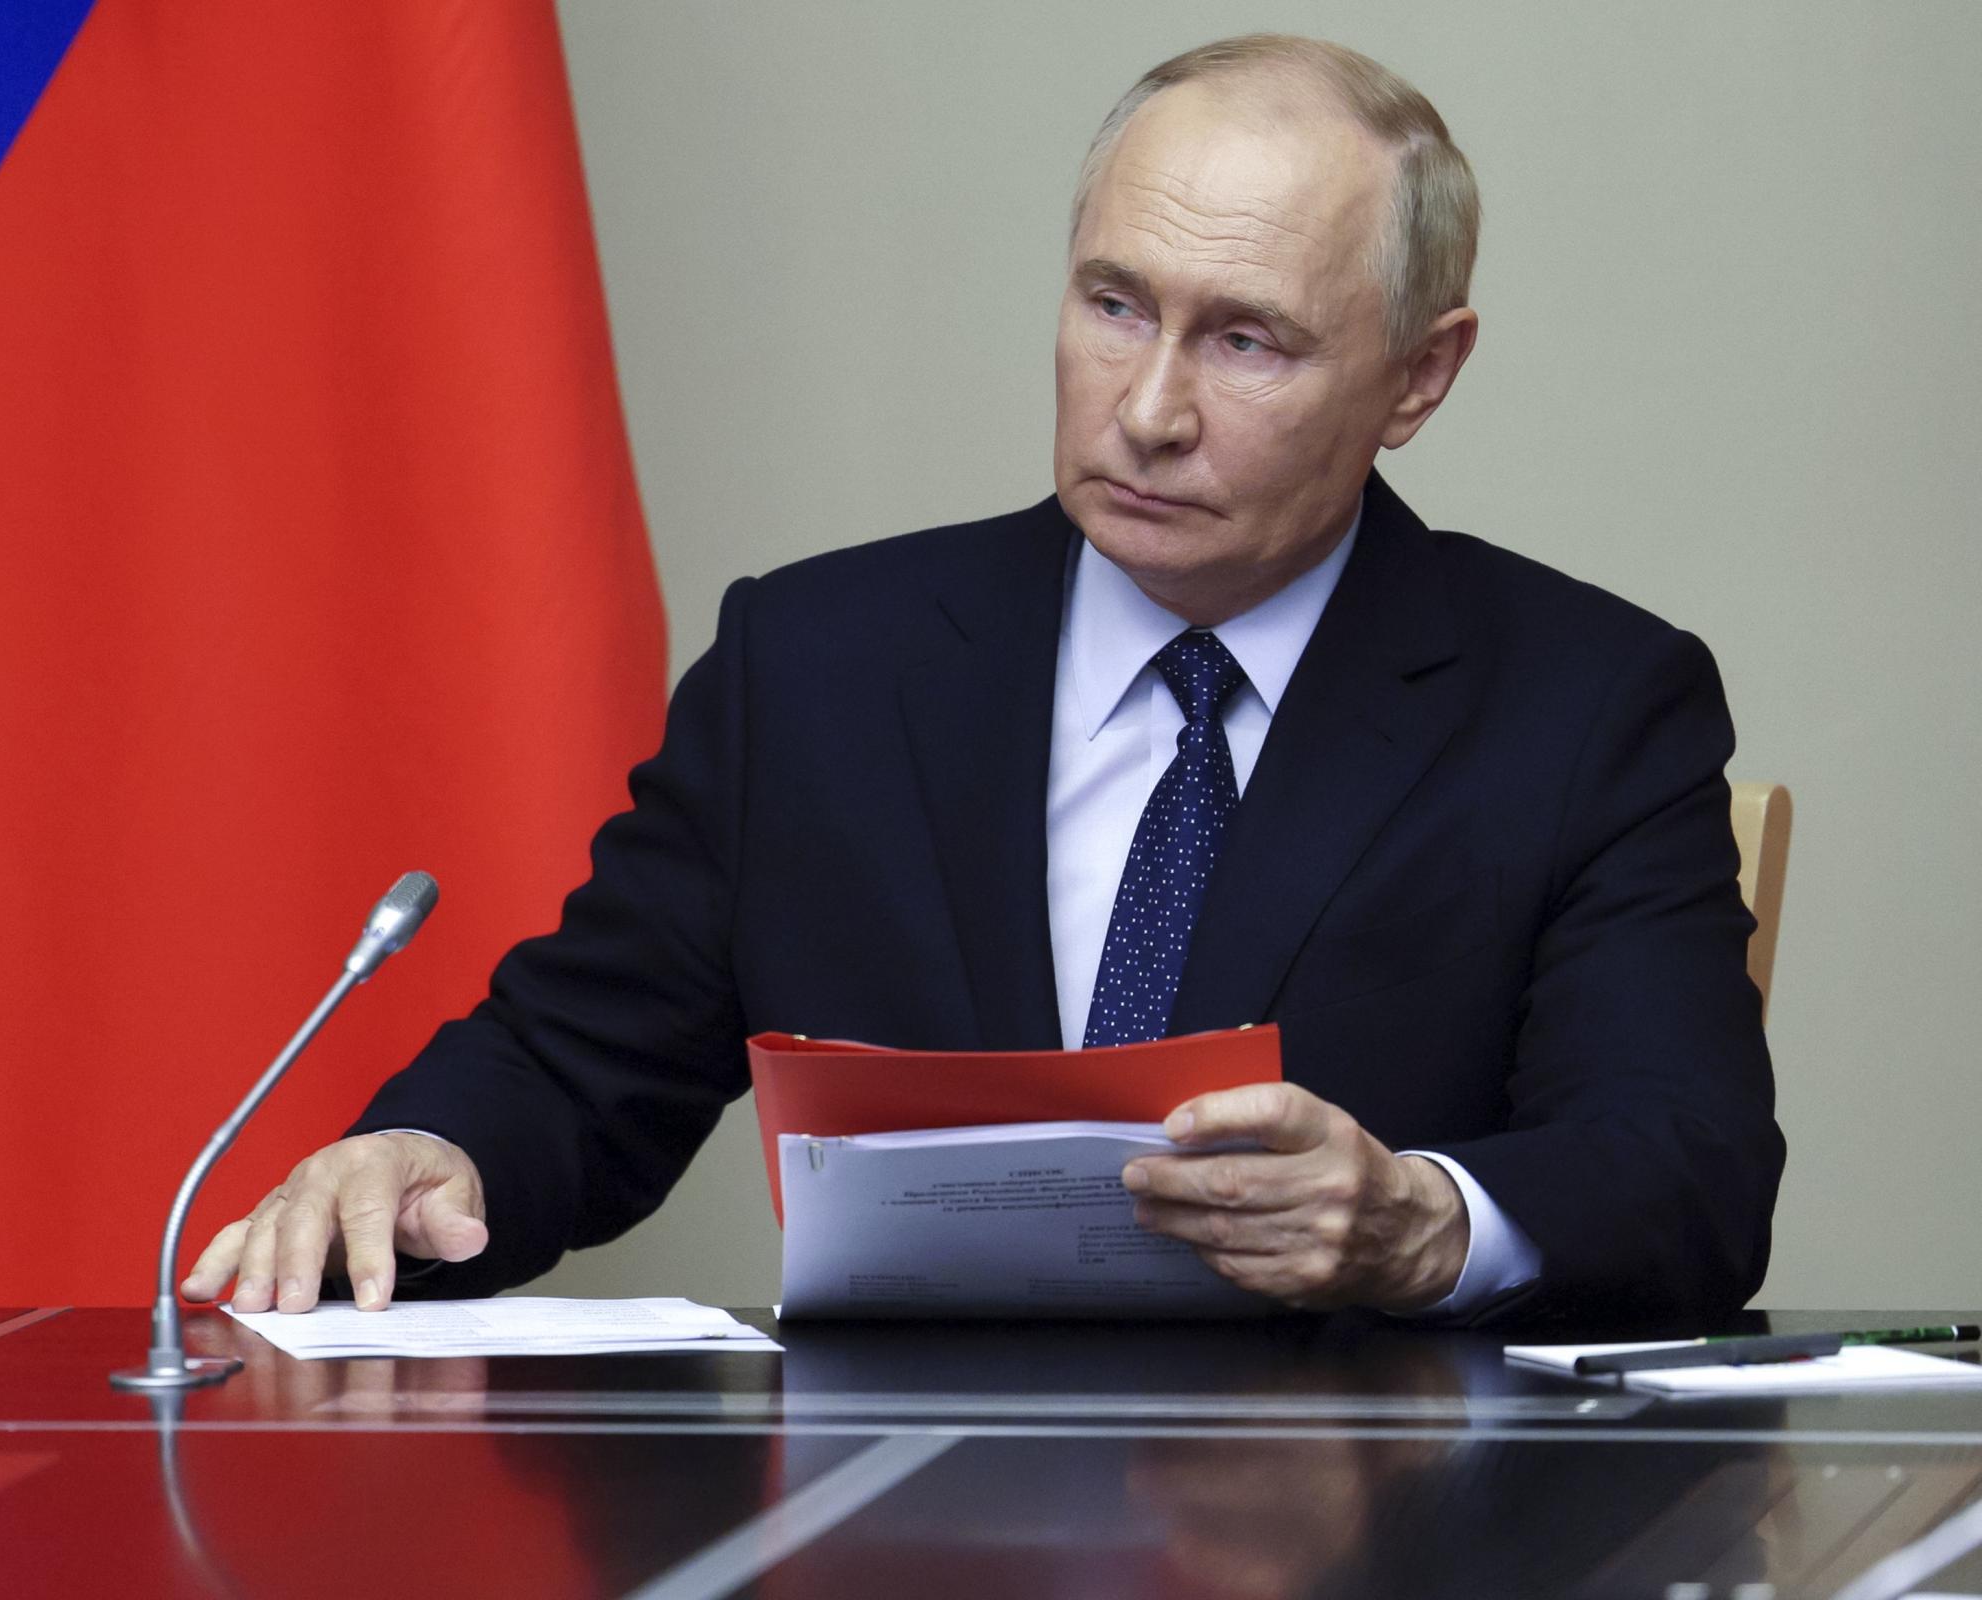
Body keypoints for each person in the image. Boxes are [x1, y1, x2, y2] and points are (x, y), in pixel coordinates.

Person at [182, 34, 1782, 1327]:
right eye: (1114, 306)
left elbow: (1684, 1168)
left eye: (1248, 344)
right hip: (888, 1516)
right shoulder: (819, 668)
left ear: (1420, 375)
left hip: (1367, 1511)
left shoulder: (1585, 704)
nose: (1147, 408)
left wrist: (1424, 1223)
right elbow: (571, 1065)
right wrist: (419, 1145)